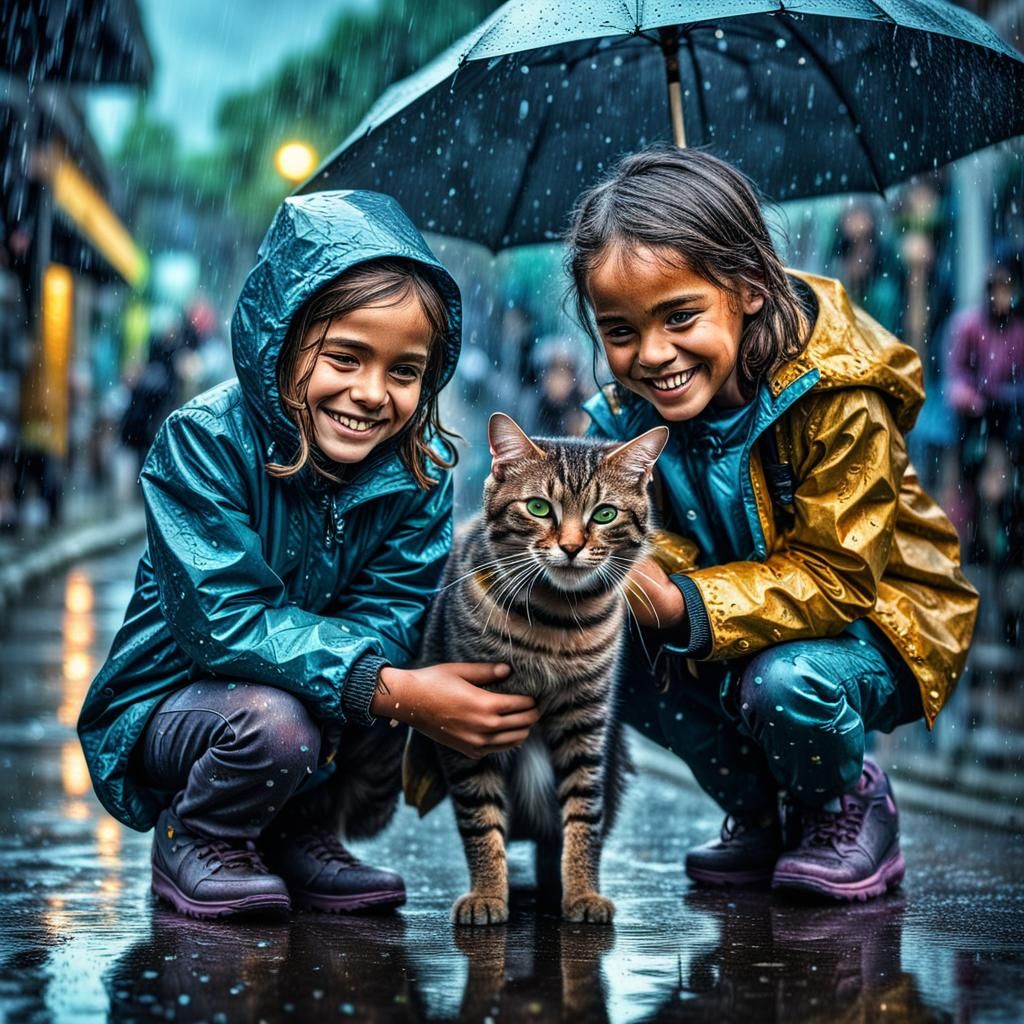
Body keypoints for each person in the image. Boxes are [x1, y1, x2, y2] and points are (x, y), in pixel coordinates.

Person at [77, 190, 539, 920]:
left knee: (402, 666)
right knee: (281, 721)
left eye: (404, 370)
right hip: (175, 703)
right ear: (283, 343)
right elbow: (222, 622)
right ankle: (199, 836)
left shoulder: (419, 468)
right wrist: (387, 690)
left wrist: (394, 684)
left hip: (310, 700)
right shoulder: (204, 441)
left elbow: (395, 609)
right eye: (346, 357)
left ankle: (299, 833)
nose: (371, 393)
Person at [566, 147, 978, 902]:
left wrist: (684, 602)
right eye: (620, 330)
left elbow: (838, 575)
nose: (652, 354)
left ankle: (843, 806)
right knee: (604, 656)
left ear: (749, 289)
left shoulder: (839, 394)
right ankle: (760, 813)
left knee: (786, 682)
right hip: (737, 623)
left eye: (681, 315)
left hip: (878, 622)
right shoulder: (623, 422)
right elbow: (644, 541)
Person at [945, 262, 1024, 567]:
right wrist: (976, 399)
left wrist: (1003, 398)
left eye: (1008, 291)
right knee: (966, 494)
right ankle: (968, 550)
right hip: (973, 424)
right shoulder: (969, 326)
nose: (1002, 298)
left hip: (1007, 424)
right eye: (998, 291)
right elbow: (955, 376)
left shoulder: (1017, 330)